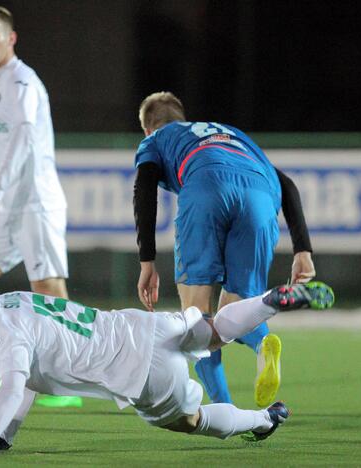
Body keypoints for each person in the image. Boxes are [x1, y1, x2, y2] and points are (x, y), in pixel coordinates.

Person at [0, 267, 334, 456]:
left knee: (190, 422)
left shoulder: (7, 333)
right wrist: (4, 438)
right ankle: (271, 300)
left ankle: (265, 419)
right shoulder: (11, 303)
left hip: (139, 371)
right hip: (140, 326)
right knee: (213, 331)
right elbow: (28, 381)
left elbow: (13, 385)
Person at [133, 92, 316, 408]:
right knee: (237, 311)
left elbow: (144, 188)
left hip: (207, 186)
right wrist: (303, 250)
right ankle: (262, 345)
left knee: (197, 320)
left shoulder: (157, 139)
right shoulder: (230, 133)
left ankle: (223, 407)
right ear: (183, 117)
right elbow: (286, 184)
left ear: (149, 128)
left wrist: (147, 261)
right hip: (261, 197)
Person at [0, 5, 79, 408]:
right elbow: (3, 146)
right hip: (8, 203)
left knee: (49, 291)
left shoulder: (23, 81)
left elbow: (25, 139)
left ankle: (66, 382)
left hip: (35, 202)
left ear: (11, 38)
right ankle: (15, 363)